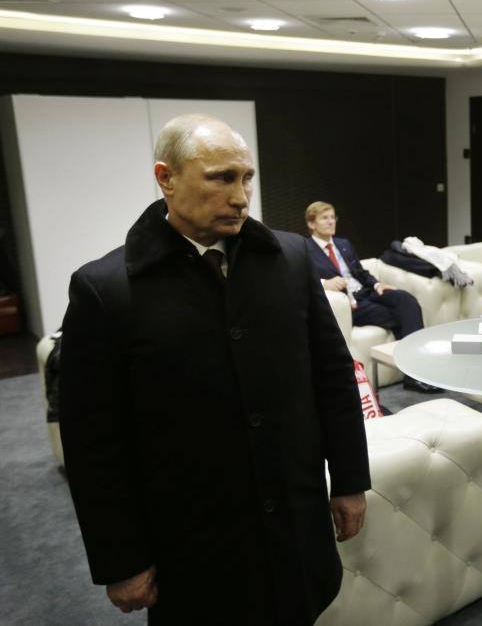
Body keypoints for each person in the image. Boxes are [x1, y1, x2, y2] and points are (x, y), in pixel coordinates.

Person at [58, 114, 371, 626]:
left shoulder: (290, 259)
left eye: (246, 178)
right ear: (166, 178)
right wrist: (122, 559)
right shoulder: (105, 290)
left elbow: (332, 377)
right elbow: (95, 444)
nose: (241, 196)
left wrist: (351, 480)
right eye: (221, 178)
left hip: (295, 523)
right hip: (195, 545)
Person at [304, 201, 442, 393]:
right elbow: (301, 277)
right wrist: (323, 283)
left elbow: (360, 272)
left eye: (333, 217)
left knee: (406, 300)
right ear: (312, 224)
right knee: (402, 317)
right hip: (350, 303)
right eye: (324, 218)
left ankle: (416, 371)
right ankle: (416, 374)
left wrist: (377, 284)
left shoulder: (343, 244)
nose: (331, 222)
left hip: (367, 292)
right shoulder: (305, 248)